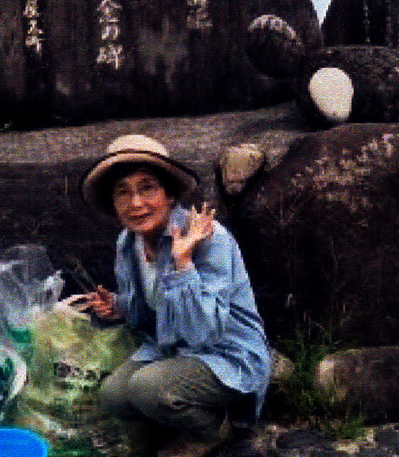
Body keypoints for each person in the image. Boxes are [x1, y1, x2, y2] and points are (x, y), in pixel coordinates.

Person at [77, 134, 270, 457]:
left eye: (147, 187)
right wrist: (118, 306)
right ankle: (175, 416)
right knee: (112, 396)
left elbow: (202, 333)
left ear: (169, 195)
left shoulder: (209, 238)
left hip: (225, 351)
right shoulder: (129, 243)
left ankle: (215, 427)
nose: (136, 203)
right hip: (172, 348)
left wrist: (183, 264)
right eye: (123, 192)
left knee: (148, 388)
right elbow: (148, 310)